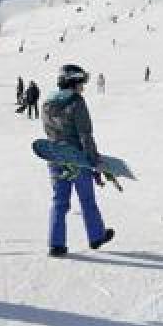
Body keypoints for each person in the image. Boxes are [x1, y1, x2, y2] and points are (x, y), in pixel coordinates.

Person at [41, 64, 113, 255]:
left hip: (55, 157)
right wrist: (94, 160)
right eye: (81, 83)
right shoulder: (76, 102)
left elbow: (48, 131)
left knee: (59, 200)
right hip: (78, 159)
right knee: (87, 199)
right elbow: (85, 135)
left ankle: (56, 244)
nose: (82, 87)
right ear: (73, 82)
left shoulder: (47, 103)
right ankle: (96, 236)